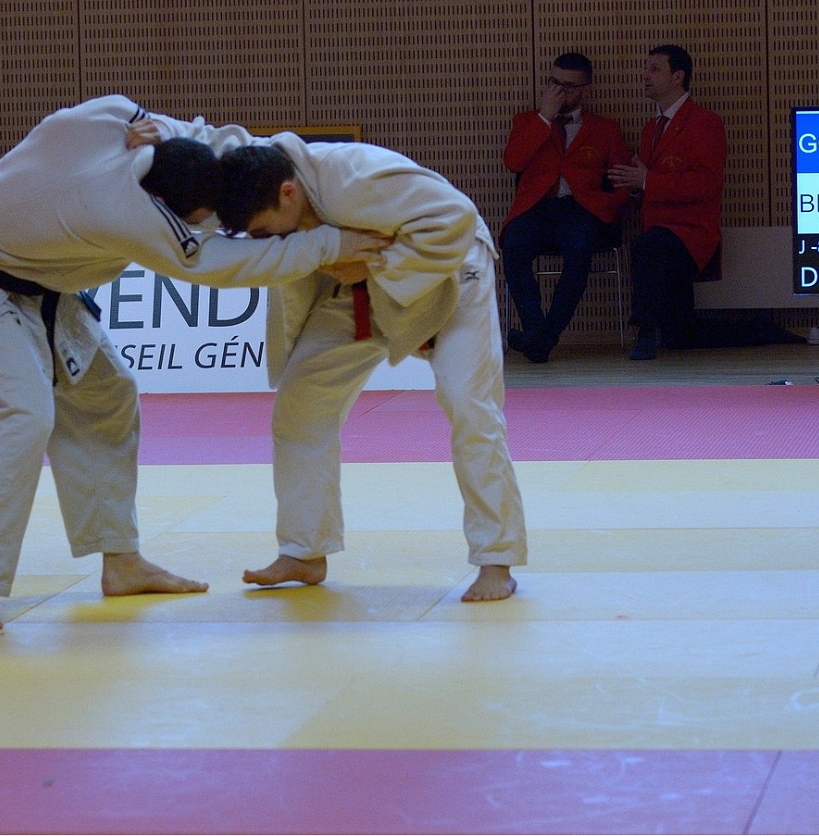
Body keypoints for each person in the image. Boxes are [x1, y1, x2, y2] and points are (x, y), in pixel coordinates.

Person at [0, 95, 389, 630]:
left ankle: (121, 562)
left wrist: (288, 165)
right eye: (193, 221)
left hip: (41, 281)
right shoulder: (122, 212)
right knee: (22, 417)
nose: (204, 226)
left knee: (107, 394)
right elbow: (218, 265)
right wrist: (329, 244)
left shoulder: (116, 115)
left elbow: (211, 140)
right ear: (160, 204)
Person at [128, 122, 527, 602]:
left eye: (262, 232)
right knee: (302, 402)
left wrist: (373, 264)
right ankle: (304, 550)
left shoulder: (355, 177)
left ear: (289, 194)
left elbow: (454, 217)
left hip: (447, 267)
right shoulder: (250, 167)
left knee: (468, 404)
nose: (260, 241)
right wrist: (148, 131)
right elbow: (208, 135)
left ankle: (496, 558)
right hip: (354, 286)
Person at [499, 52, 631, 363]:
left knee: (580, 250)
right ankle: (537, 333)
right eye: (553, 83)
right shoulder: (527, 122)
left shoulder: (605, 129)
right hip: (537, 207)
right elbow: (513, 162)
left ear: (586, 90)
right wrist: (545, 117)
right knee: (513, 244)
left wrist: (607, 208)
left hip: (580, 208)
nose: (559, 91)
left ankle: (542, 337)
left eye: (569, 86)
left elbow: (624, 180)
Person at [607, 45, 727, 360]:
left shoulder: (705, 123)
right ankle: (766, 331)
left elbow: (706, 185)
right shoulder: (651, 129)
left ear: (678, 77)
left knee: (647, 246)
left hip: (691, 234)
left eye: (655, 69)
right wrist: (635, 187)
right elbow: (650, 185)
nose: (645, 75)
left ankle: (645, 332)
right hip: (661, 232)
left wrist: (646, 180)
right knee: (681, 335)